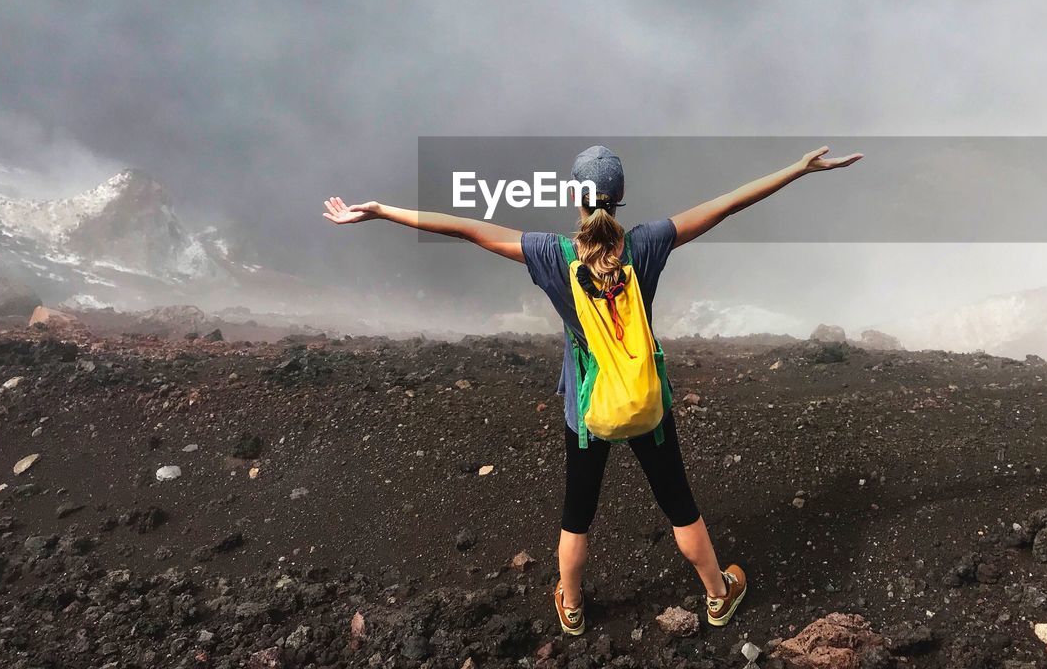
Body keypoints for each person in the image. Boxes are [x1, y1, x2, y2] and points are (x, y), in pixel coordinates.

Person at [323, 143, 862, 635]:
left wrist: (380, 210)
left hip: (587, 413)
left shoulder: (552, 254)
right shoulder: (647, 244)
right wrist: (797, 169)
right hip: (648, 405)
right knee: (680, 506)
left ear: (574, 197)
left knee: (577, 514)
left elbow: (464, 227)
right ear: (620, 198)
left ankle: (574, 607)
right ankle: (718, 595)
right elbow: (726, 204)